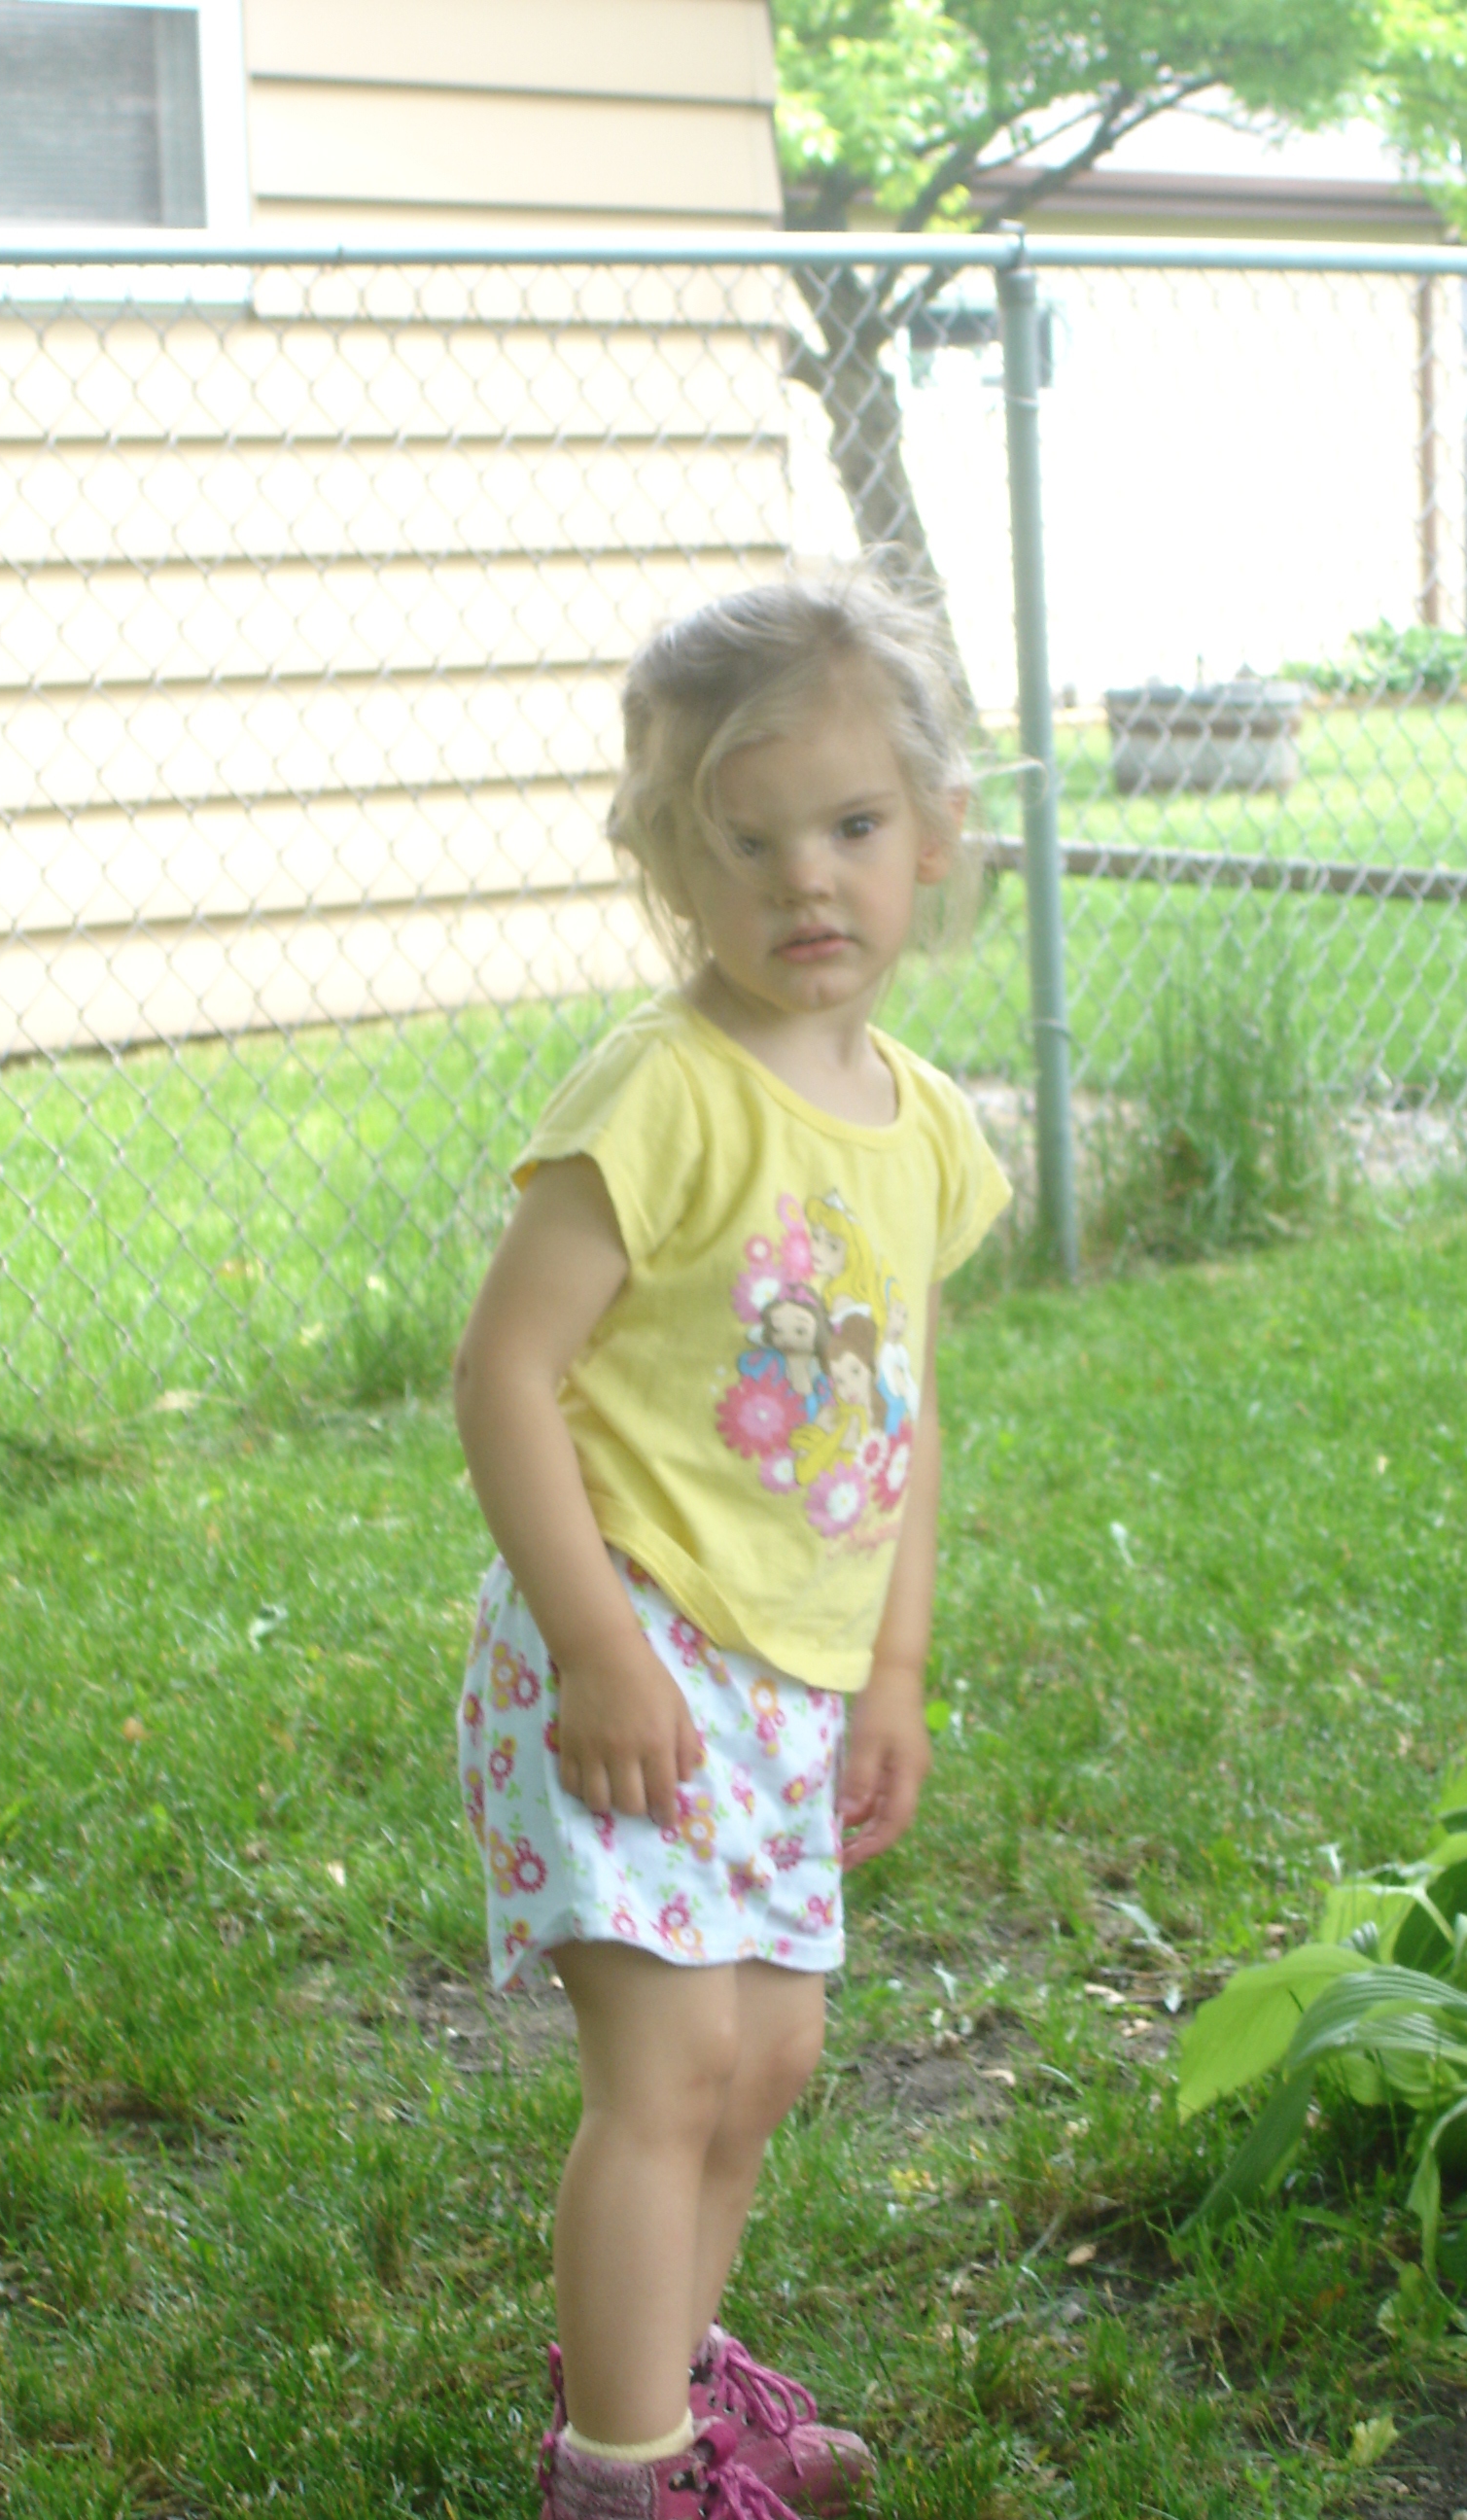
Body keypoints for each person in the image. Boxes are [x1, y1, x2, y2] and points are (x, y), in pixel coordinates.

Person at [452, 575, 1011, 2520]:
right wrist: (600, 1649)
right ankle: (624, 2479)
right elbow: (504, 1373)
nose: (808, 879)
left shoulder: (923, 1129)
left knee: (763, 2062)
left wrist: (893, 1675)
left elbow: (901, 1421)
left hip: (789, 1686)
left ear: (933, 834)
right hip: (631, 1650)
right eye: (748, 839)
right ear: (672, 864)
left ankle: (670, 2388)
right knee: (671, 2066)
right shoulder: (665, 1090)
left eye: (853, 824)